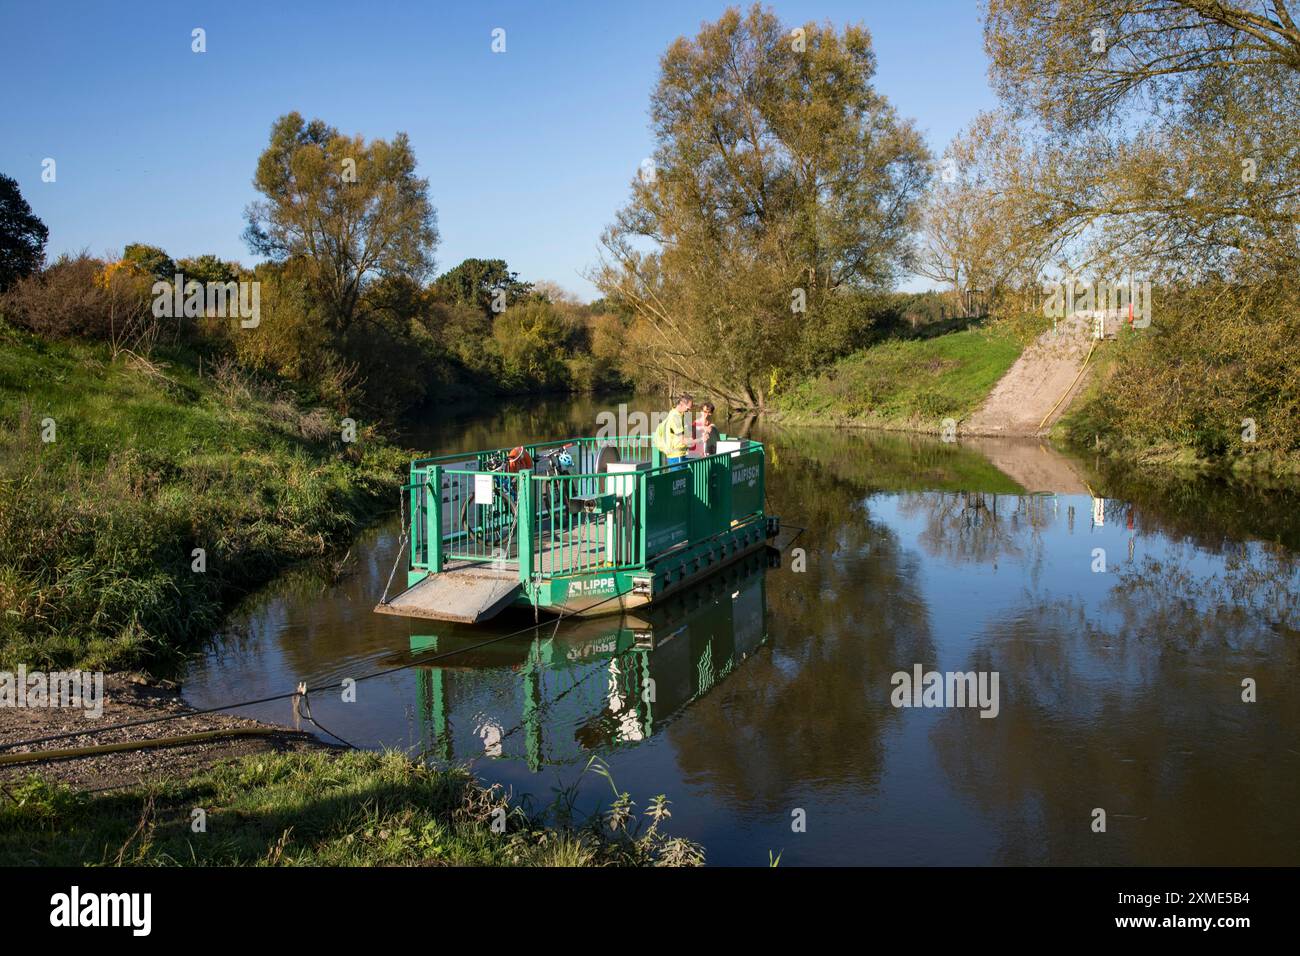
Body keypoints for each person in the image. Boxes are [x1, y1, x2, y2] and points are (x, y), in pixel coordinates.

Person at [652, 393, 693, 466]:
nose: (689, 410)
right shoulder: (676, 417)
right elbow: (682, 440)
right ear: (681, 404)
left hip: (677, 454)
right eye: (688, 408)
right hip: (677, 455)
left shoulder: (673, 412)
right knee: (680, 477)